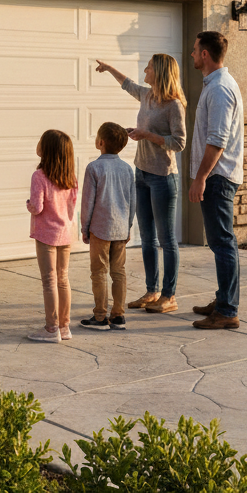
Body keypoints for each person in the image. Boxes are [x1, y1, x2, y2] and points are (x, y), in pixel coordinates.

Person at [94, 54, 186, 314]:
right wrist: (110, 68)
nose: (145, 70)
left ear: (159, 72)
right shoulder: (147, 95)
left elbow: (179, 142)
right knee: (146, 238)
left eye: (148, 67)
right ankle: (152, 291)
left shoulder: (174, 105)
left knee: (166, 239)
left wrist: (147, 135)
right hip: (142, 173)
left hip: (163, 177)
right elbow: (128, 84)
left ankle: (169, 295)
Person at [187, 30, 244, 330]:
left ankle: (226, 310)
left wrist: (200, 178)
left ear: (206, 54)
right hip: (217, 176)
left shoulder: (220, 88)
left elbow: (217, 140)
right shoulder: (216, 85)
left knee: (222, 243)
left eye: (196, 50)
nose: (193, 54)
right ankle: (223, 299)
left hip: (218, 178)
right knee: (221, 243)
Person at [79, 122, 136, 332]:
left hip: (100, 229)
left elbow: (88, 202)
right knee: (119, 272)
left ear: (100, 142)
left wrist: (85, 227)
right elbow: (132, 200)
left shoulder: (94, 168)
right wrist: (128, 225)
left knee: (99, 272)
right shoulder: (127, 169)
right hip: (121, 228)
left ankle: (100, 316)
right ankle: (119, 315)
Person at [26, 129, 79, 343]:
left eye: (40, 141)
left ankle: (51, 328)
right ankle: (64, 326)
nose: (37, 144)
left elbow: (37, 207)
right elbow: (72, 206)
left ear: (46, 150)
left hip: (47, 234)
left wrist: (28, 205)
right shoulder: (70, 177)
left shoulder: (39, 176)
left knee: (49, 281)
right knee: (62, 279)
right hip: (66, 232)